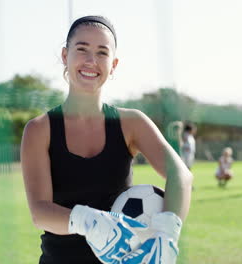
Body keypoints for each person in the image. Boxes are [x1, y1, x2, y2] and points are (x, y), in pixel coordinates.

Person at [20, 16, 193, 264]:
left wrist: (167, 233)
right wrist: (89, 222)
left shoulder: (131, 123)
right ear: (64, 55)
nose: (91, 61)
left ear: (113, 64)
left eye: (102, 53)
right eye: (82, 49)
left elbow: (181, 177)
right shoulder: (39, 130)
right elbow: (40, 213)